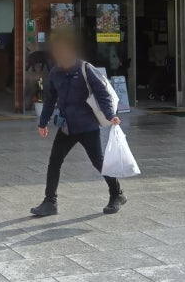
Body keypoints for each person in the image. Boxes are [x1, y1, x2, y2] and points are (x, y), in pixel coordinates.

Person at [32, 31, 126, 217]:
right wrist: (43, 122)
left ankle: (117, 194)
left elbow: (102, 93)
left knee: (99, 162)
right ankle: (50, 202)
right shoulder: (55, 73)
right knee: (54, 161)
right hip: (67, 127)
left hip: (87, 126)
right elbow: (50, 100)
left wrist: (110, 114)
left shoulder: (85, 69)